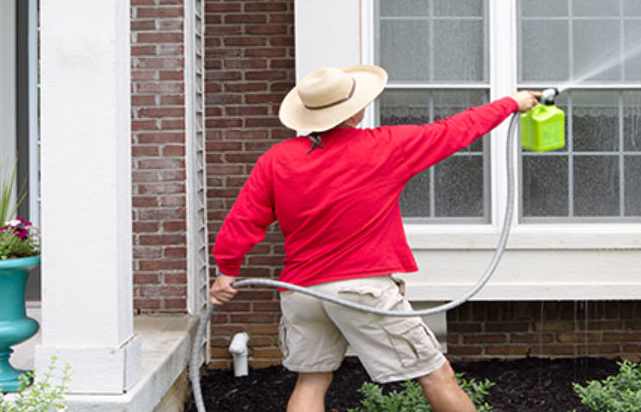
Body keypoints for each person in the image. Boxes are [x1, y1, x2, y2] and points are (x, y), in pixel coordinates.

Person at [210, 65, 542, 412]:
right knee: (436, 374)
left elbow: (244, 219)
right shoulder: (384, 146)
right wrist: (510, 103)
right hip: (361, 290)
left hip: (302, 293)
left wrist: (227, 271)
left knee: (311, 380)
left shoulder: (275, 159)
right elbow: (454, 130)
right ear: (356, 109)